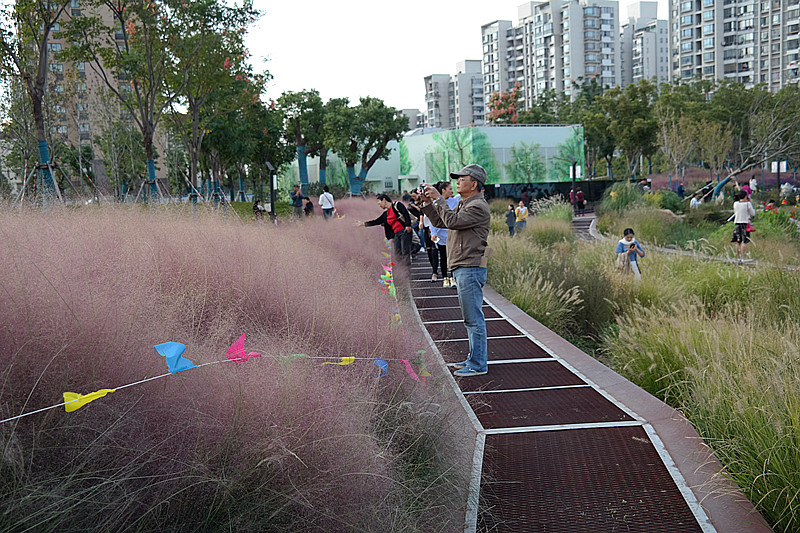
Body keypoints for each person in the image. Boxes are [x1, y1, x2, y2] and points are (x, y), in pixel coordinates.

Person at [421, 164, 491, 377]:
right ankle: (473, 359)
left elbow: (452, 221)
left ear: (475, 183)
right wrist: (427, 205)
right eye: (457, 178)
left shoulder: (477, 206)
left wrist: (437, 199)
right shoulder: (466, 203)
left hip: (469, 267)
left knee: (473, 318)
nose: (457, 181)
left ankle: (478, 364)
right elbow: (442, 221)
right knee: (470, 318)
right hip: (464, 266)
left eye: (462, 178)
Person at [357, 194, 413, 267]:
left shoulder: (397, 205)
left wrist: (408, 225)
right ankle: (401, 270)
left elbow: (406, 214)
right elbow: (376, 221)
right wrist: (363, 224)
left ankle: (407, 272)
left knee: (405, 252)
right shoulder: (385, 214)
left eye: (379, 203)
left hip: (404, 231)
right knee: (397, 254)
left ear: (384, 200)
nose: (379, 205)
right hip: (396, 234)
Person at [429, 181, 460, 288]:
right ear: (443, 190)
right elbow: (433, 220)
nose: (452, 191)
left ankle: (453, 277)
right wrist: (433, 233)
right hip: (441, 236)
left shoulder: (454, 201)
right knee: (443, 257)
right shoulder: (435, 203)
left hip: (452, 234)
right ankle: (445, 278)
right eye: (450, 189)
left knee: (453, 257)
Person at [731, 190, 756, 262]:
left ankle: (738, 257)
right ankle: (743, 258)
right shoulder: (748, 204)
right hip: (745, 223)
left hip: (737, 223)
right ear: (746, 196)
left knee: (738, 241)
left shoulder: (735, 203)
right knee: (744, 241)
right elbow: (753, 213)